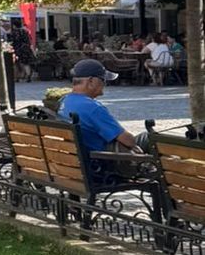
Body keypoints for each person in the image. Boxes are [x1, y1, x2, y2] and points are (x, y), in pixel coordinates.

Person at [58, 60, 154, 190]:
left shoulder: (65, 101)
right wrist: (134, 146)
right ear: (91, 81)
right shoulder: (92, 107)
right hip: (101, 166)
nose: (105, 84)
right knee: (150, 138)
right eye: (103, 80)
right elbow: (128, 140)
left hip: (77, 162)